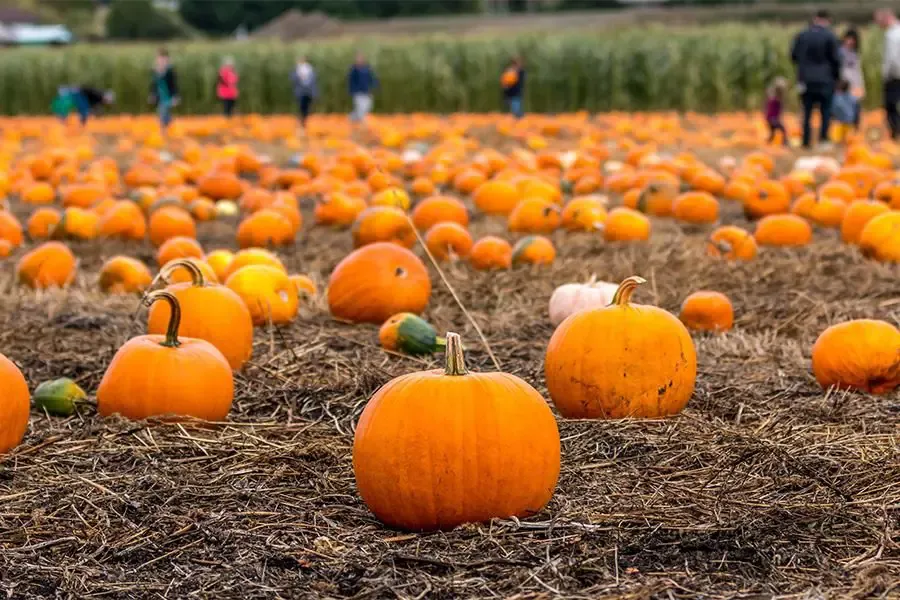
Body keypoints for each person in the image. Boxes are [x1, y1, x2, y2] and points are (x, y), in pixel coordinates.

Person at [791, 10, 841, 149]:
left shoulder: (802, 35)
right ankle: (823, 139)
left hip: (806, 79)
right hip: (826, 78)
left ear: (815, 19)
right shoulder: (830, 36)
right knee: (825, 111)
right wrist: (836, 78)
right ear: (827, 20)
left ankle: (806, 141)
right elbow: (836, 60)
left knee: (807, 111)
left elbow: (793, 56)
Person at [876, 8, 900, 139]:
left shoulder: (891, 35)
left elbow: (891, 58)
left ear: (886, 18)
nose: (879, 25)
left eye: (880, 21)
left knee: (891, 104)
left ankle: (895, 131)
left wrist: (886, 75)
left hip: (894, 75)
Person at [840, 29, 865, 127]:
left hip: (855, 84)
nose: (851, 41)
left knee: (856, 109)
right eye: (848, 39)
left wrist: (861, 85)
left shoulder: (855, 54)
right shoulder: (840, 52)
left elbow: (858, 71)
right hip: (844, 84)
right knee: (845, 110)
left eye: (853, 39)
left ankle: (854, 131)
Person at [149, 48, 179, 129]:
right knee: (162, 112)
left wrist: (175, 96)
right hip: (160, 95)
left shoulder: (170, 71)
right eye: (159, 59)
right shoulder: (155, 71)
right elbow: (153, 85)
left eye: (163, 59)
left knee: (163, 112)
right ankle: (166, 127)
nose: (161, 61)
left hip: (168, 95)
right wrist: (152, 95)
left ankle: (165, 128)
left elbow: (174, 85)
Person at [348, 53, 378, 123]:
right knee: (360, 107)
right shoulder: (354, 70)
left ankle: (352, 117)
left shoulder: (367, 68)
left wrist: (374, 85)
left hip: (367, 91)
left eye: (360, 59)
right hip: (358, 92)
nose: (359, 60)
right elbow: (351, 81)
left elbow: (372, 78)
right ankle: (362, 121)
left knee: (368, 106)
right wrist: (352, 91)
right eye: (358, 59)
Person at [291, 56, 317, 128]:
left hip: (308, 92)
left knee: (307, 109)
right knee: (301, 108)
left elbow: (313, 82)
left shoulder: (310, 69)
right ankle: (301, 123)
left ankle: (304, 122)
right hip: (300, 93)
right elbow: (293, 80)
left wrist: (314, 93)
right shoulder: (296, 70)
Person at [765, 77, 789, 146]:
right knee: (782, 129)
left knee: (773, 131)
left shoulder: (776, 98)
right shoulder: (774, 99)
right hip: (772, 119)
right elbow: (771, 110)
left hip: (771, 118)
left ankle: (769, 141)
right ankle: (784, 142)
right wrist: (773, 118)